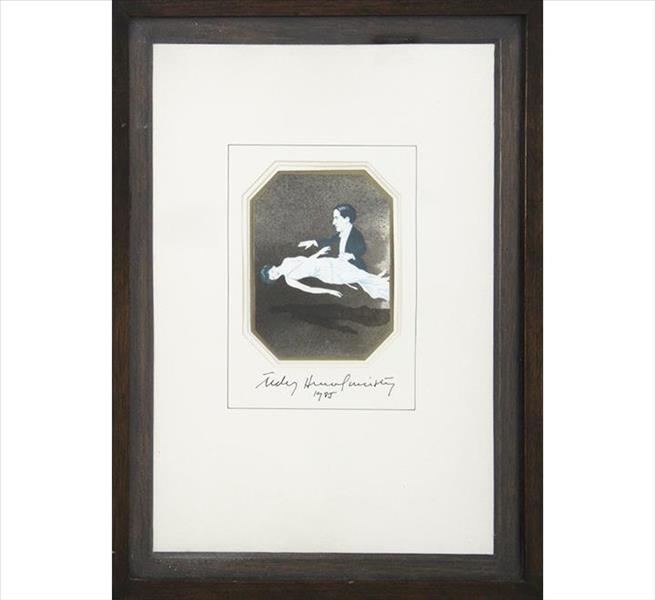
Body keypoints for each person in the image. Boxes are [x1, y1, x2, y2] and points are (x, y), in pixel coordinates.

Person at [259, 245, 389, 301]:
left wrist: (319, 253)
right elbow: (309, 289)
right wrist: (329, 291)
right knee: (355, 277)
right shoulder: (289, 280)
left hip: (327, 262)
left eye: (272, 272)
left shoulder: (286, 260)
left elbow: (306, 260)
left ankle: (377, 280)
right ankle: (381, 286)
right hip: (327, 275)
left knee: (357, 273)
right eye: (273, 277)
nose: (275, 274)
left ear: (272, 267)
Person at [297, 204, 367, 270]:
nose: (333, 222)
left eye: (336, 218)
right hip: (343, 267)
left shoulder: (356, 234)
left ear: (346, 219)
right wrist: (313, 242)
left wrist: (351, 255)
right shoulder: (340, 234)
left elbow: (362, 249)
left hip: (355, 268)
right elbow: (329, 241)